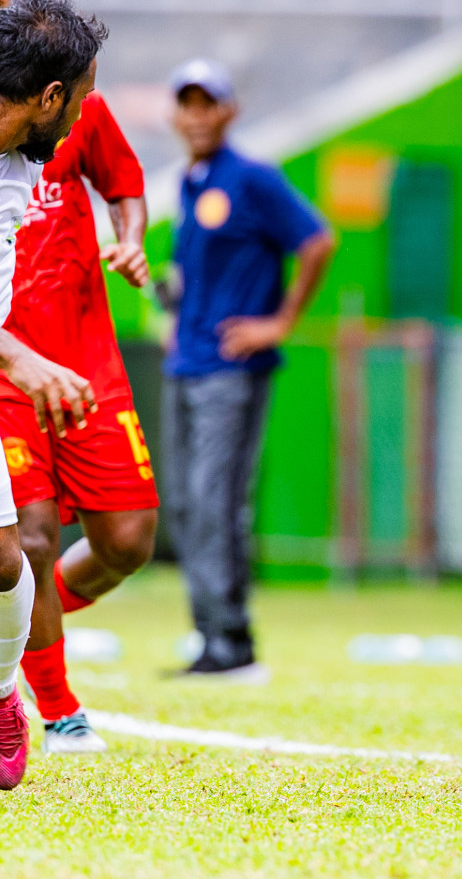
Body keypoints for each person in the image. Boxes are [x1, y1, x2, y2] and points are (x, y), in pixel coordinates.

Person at [0, 0, 157, 753]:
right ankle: (51, 702)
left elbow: (126, 186)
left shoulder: (57, 125)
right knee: (21, 540)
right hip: (10, 368)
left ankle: (26, 626)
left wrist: (131, 237)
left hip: (81, 355)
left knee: (128, 539)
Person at [162, 59, 335, 680]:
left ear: (229, 111)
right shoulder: (193, 181)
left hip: (231, 370)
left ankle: (231, 644)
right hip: (187, 364)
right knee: (184, 503)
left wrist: (279, 322)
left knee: (216, 501)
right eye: (188, 103)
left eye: (208, 103)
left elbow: (318, 240)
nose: (197, 114)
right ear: (174, 114)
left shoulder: (253, 177)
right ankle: (209, 632)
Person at [0, 0, 109, 788]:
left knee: (6, 566)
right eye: (81, 96)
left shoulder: (15, 173)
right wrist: (24, 363)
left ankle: (5, 695)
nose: (82, 116)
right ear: (47, 98)